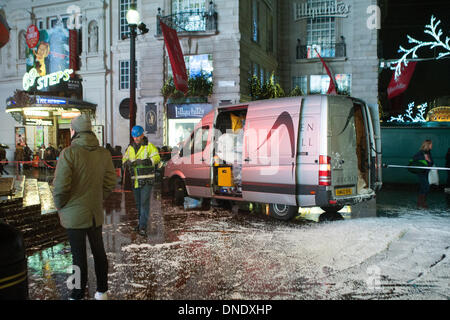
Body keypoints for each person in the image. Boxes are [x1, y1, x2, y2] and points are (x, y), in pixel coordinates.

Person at [52, 114, 116, 300]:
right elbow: (110, 181)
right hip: (94, 213)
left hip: (73, 215)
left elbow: (61, 186)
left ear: (74, 131)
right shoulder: (103, 153)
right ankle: (102, 292)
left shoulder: (69, 153)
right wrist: (97, 197)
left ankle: (77, 294)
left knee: (78, 256)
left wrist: (60, 205)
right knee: (99, 252)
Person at [122, 125, 160, 236]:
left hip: (147, 180)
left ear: (142, 135)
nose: (136, 138)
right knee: (139, 204)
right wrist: (128, 163)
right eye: (134, 137)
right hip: (136, 180)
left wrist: (147, 161)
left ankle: (143, 226)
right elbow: (124, 159)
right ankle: (140, 224)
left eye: (138, 136)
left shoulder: (149, 146)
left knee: (144, 203)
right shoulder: (130, 148)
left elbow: (157, 157)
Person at [412, 139, 434, 209]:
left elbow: (431, 162)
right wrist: (425, 160)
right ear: (427, 145)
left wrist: (429, 161)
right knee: (426, 187)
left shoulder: (428, 152)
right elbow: (415, 159)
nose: (432, 146)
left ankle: (421, 203)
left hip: (426, 172)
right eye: (431, 144)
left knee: (423, 187)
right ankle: (421, 202)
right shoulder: (421, 152)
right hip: (421, 172)